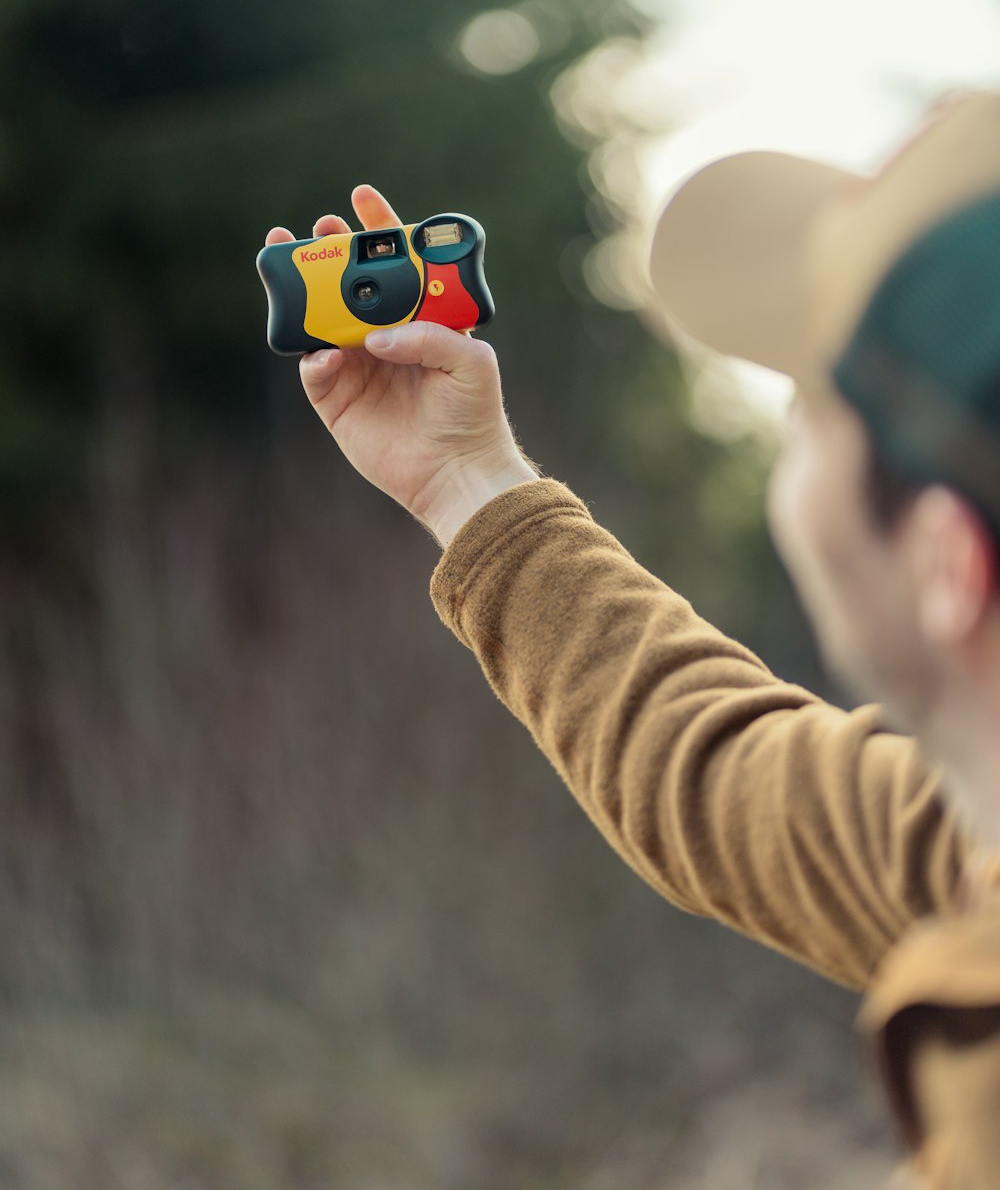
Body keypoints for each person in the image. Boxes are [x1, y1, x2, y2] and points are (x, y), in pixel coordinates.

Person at [264, 88, 1000, 1189]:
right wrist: (470, 486)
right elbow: (715, 771)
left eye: (813, 408)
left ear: (948, 565)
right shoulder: (964, 849)